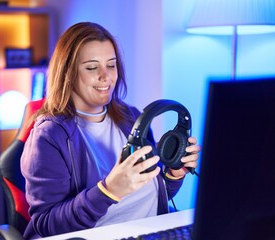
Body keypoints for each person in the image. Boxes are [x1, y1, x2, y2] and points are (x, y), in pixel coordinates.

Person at [20, 22, 201, 239]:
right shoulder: (49, 137)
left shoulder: (132, 118)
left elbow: (150, 197)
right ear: (68, 73)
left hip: (149, 234)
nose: (106, 76)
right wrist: (108, 191)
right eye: (92, 67)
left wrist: (174, 175)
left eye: (111, 65)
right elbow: (47, 225)